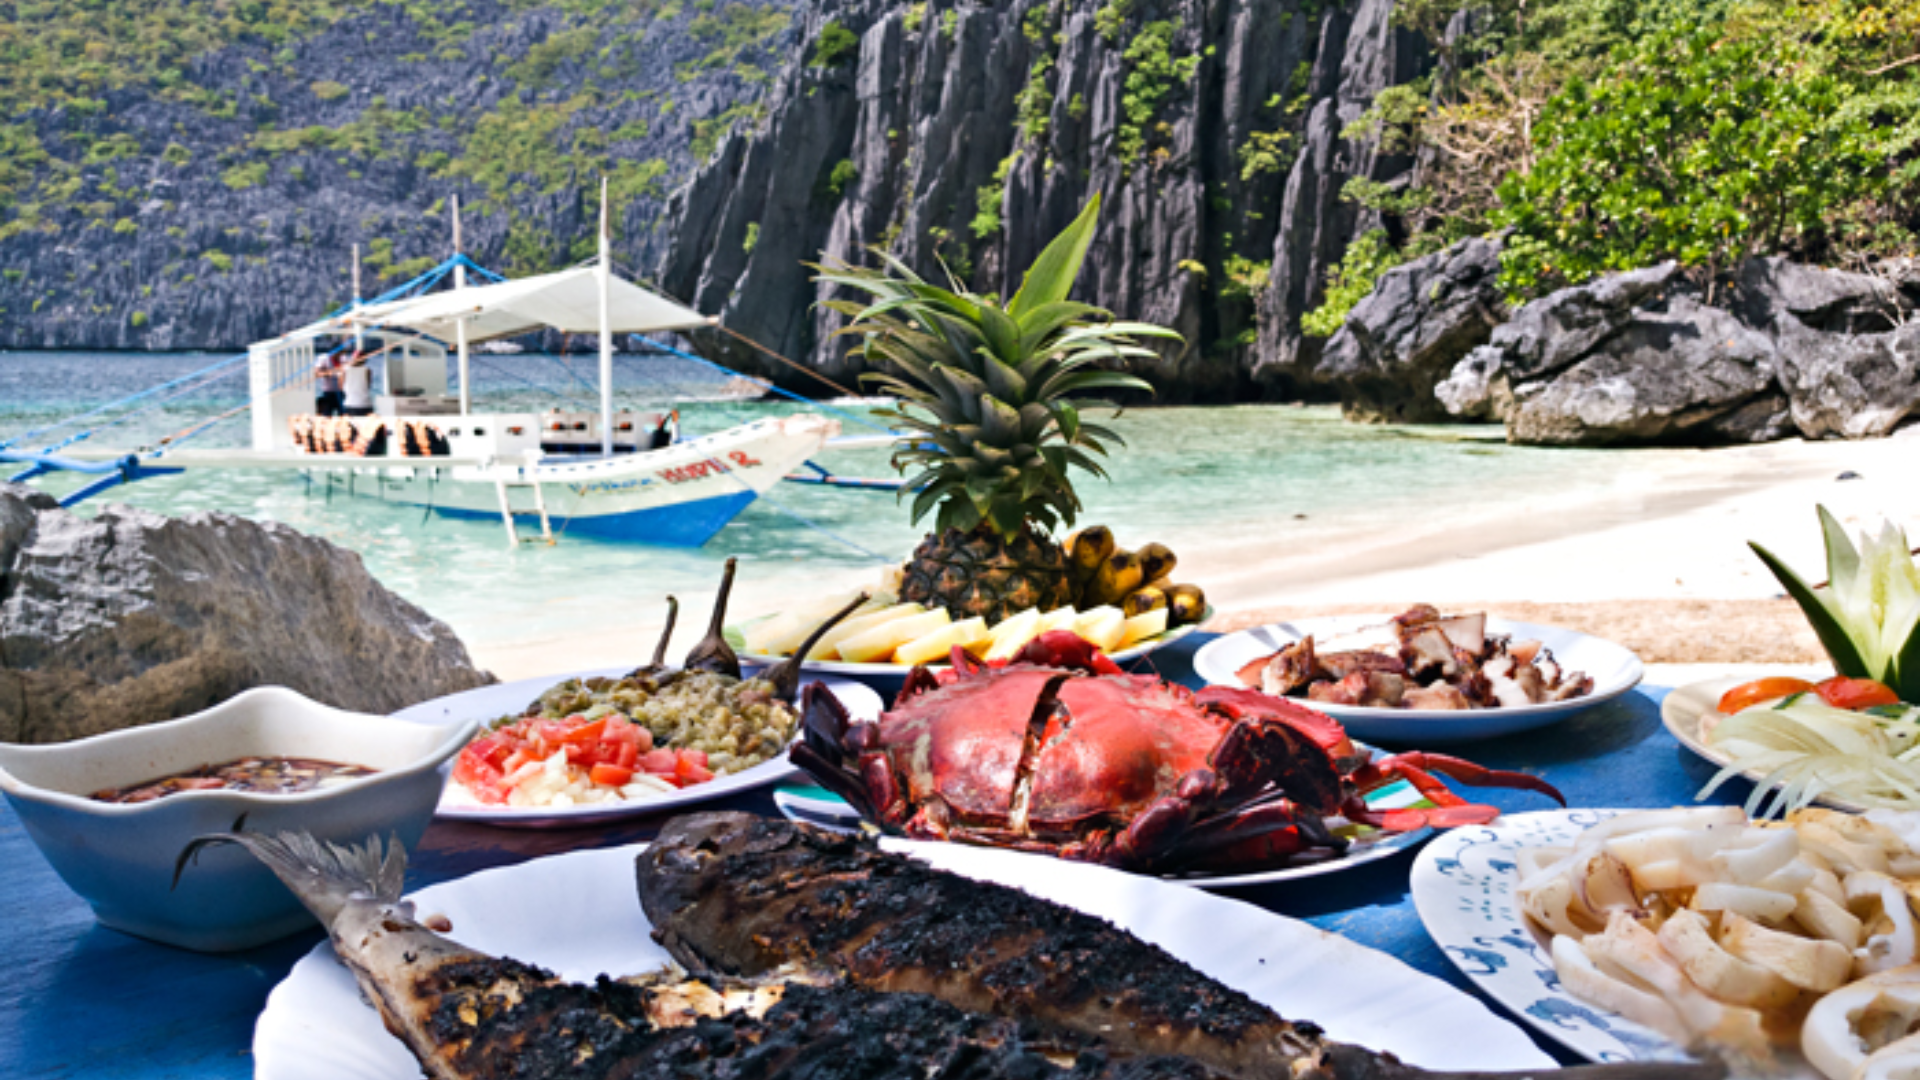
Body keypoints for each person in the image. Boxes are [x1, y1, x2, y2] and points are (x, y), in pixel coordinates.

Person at [340, 350, 375, 417]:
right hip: (365, 403)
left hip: (350, 403)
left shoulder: (344, 370)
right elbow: (368, 386)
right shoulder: (367, 370)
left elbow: (341, 387)